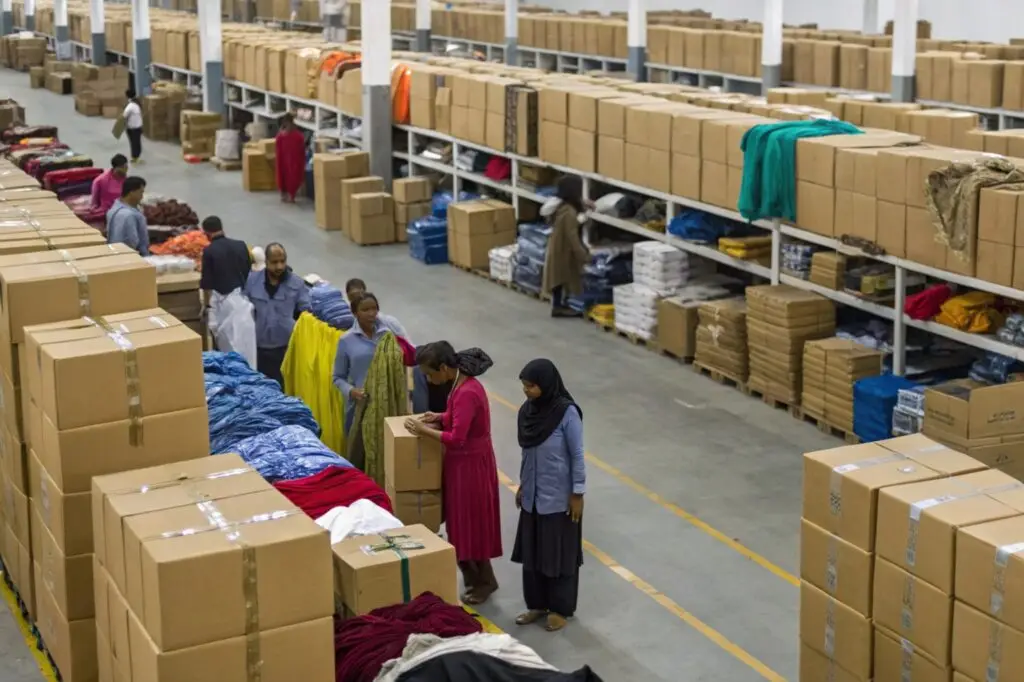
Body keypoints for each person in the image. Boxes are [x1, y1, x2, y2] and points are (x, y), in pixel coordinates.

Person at [405, 342, 502, 605]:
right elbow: (458, 418)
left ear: (445, 368)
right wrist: (438, 416)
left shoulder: (467, 392)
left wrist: (423, 430)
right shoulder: (461, 385)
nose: (428, 379)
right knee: (461, 523)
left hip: (470, 466)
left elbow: (458, 438)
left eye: (429, 373)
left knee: (469, 523)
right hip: (462, 464)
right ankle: (477, 578)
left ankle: (482, 581)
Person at [511, 359, 585, 632]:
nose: (526, 391)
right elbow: (527, 453)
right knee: (533, 554)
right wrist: (523, 484)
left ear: (547, 384)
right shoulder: (527, 413)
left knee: (558, 555)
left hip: (559, 499)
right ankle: (536, 604)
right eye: (524, 386)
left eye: (531, 386)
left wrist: (577, 493)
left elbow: (577, 454)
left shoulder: (567, 413)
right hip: (532, 496)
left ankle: (560, 608)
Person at [332, 292, 410, 483]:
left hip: (387, 407)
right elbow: (337, 377)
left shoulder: (388, 336)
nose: (371, 313)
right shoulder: (346, 340)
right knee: (361, 453)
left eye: (374, 308)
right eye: (365, 309)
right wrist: (351, 391)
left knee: (386, 451)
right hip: (360, 407)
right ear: (355, 312)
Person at [243, 243, 310, 386]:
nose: (279, 266)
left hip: (287, 349)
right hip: (259, 348)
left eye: (282, 261)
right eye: (274, 262)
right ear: (266, 261)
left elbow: (306, 312)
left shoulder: (297, 283)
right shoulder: (252, 281)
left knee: (287, 388)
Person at [542, 175, 590, 319]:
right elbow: (572, 236)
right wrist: (583, 254)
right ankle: (559, 307)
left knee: (560, 276)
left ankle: (560, 304)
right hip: (563, 250)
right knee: (562, 276)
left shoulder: (562, 206)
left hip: (558, 247)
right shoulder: (569, 212)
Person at [199, 216, 251, 339]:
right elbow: (248, 271)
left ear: (206, 233)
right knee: (244, 339)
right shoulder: (241, 245)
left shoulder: (209, 251)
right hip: (244, 302)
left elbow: (207, 284)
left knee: (227, 341)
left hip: (224, 305)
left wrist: (207, 307)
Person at [344, 278, 410, 339]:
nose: (357, 298)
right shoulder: (347, 326)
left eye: (359, 294)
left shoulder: (389, 322)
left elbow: (408, 343)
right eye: (353, 296)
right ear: (348, 297)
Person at [106, 176, 149, 255]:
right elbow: (132, 241)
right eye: (141, 192)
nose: (142, 196)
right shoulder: (129, 216)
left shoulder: (113, 209)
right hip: (131, 255)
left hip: (114, 251)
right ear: (132, 192)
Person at [275, 113, 306, 203]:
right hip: (287, 158)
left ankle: (290, 194)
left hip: (292, 159)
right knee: (287, 173)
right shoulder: (284, 137)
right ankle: (287, 193)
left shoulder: (296, 137)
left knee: (292, 173)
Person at [123, 90, 143, 164]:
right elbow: (124, 117)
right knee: (135, 143)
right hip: (133, 128)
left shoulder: (132, 105)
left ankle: (136, 157)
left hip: (136, 127)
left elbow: (124, 116)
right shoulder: (133, 105)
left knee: (136, 143)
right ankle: (135, 158)